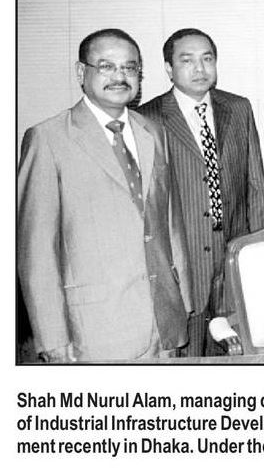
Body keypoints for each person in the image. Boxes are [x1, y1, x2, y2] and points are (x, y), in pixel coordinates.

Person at [17, 28, 191, 361]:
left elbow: (170, 222)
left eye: (129, 67)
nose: (119, 76)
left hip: (163, 324)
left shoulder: (153, 131)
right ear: (81, 72)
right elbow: (36, 251)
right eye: (107, 66)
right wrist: (52, 337)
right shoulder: (48, 138)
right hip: (93, 331)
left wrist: (182, 302)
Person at [139, 28, 264, 356]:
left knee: (240, 355)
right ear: (169, 68)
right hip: (184, 267)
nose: (200, 68)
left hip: (234, 256)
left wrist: (258, 253)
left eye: (207, 59)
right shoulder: (147, 118)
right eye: (187, 60)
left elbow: (255, 185)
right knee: (190, 358)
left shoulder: (238, 108)